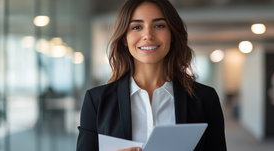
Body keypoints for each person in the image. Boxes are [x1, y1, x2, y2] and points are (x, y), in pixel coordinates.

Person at [77, 0, 226, 150]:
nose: (148, 35)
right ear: (124, 38)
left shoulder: (205, 98)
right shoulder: (96, 101)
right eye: (136, 27)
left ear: (172, 34)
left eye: (159, 26)